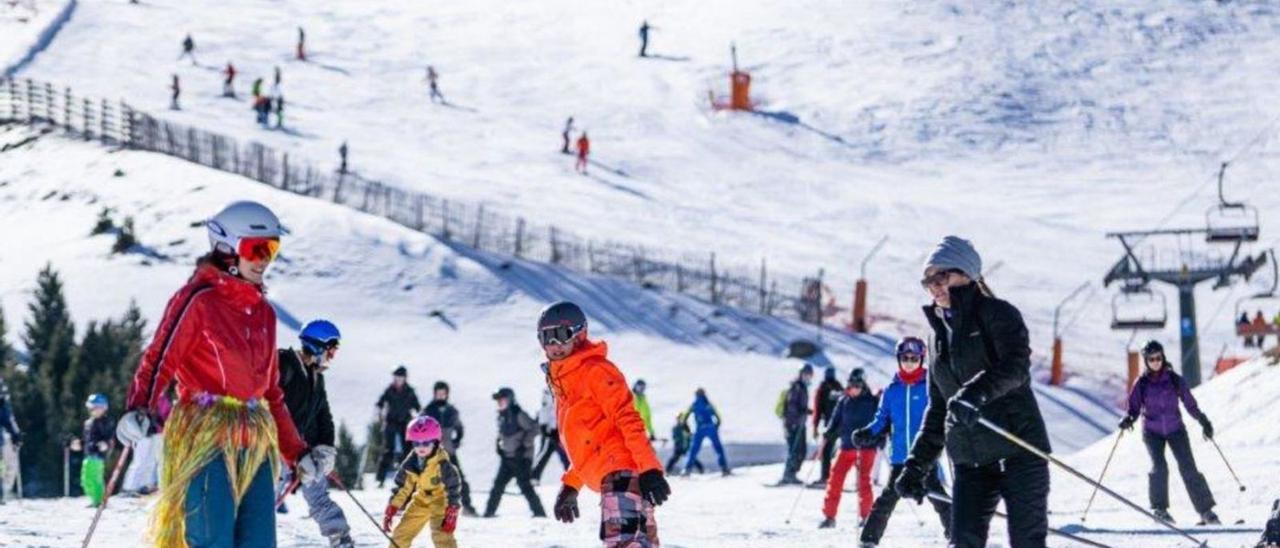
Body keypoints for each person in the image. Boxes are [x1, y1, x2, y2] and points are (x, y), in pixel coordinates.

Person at [116, 200, 307, 546]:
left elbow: (272, 393)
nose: (264, 259)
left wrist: (297, 452)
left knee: (259, 540)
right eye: (256, 249)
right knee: (212, 537)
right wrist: (138, 407)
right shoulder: (198, 300)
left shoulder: (264, 313)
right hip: (208, 434)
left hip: (255, 439)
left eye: (272, 249)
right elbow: (160, 357)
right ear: (226, 248)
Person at [895, 235, 1051, 548]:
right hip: (971, 460)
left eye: (942, 276)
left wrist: (973, 395)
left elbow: (1015, 367)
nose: (935, 286)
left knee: (1026, 542)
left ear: (967, 273)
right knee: (962, 542)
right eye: (928, 280)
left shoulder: (998, 314)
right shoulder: (936, 338)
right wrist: (917, 464)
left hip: (1019, 451)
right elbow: (939, 408)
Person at [540, 301, 670, 546]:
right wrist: (571, 484)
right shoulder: (564, 383)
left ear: (579, 335)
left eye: (561, 335)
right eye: (547, 337)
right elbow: (592, 441)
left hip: (623, 473)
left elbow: (628, 420)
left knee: (623, 542)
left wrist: (650, 469)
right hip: (617, 473)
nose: (554, 345)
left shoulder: (596, 371)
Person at [855, 337, 951, 546]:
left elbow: (942, 413)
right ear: (899, 359)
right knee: (886, 500)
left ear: (921, 359)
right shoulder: (892, 390)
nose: (909, 362)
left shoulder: (930, 387)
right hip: (900, 457)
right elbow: (881, 418)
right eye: (905, 358)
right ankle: (869, 539)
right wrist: (867, 432)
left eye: (914, 358)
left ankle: (957, 535)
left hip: (924, 457)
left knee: (938, 497)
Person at [1118, 340, 1220, 525]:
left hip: (1176, 430)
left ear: (1163, 357)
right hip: (1152, 431)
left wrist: (1203, 420)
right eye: (1151, 359)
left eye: (1158, 357)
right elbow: (1133, 409)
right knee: (1159, 467)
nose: (1156, 361)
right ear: (1146, 361)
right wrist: (1128, 419)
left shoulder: (1174, 380)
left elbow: (1190, 404)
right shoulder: (1141, 384)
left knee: (1188, 467)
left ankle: (1206, 511)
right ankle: (1160, 510)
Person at [275, 319, 354, 547]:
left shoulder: (317, 377)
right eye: (332, 349)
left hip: (306, 454)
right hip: (276, 451)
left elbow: (323, 416)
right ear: (319, 345)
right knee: (263, 502)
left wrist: (325, 447)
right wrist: (291, 450)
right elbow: (271, 408)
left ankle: (341, 540)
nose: (333, 356)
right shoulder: (284, 364)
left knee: (319, 497)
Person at [383, 416, 462, 548]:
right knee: (401, 534)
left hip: (441, 501)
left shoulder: (442, 464)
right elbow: (403, 486)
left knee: (442, 536)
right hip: (421, 500)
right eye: (416, 443)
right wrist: (393, 506)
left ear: (435, 442)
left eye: (426, 443)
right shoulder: (411, 463)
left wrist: (452, 507)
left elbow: (453, 485)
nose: (421, 447)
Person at [817, 369, 878, 528]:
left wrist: (879, 437)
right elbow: (835, 420)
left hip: (866, 448)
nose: (854, 389)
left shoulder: (872, 402)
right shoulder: (844, 401)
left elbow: (880, 421)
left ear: (863, 385)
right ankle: (829, 517)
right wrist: (829, 432)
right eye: (851, 385)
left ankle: (866, 517)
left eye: (857, 385)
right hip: (846, 447)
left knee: (863, 481)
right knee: (835, 479)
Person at [483, 387, 545, 517]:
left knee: (525, 486)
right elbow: (502, 434)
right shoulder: (501, 416)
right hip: (508, 458)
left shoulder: (518, 413)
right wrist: (499, 445)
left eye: (502, 399)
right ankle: (488, 513)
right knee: (498, 486)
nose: (500, 402)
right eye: (498, 400)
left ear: (510, 400)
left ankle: (539, 514)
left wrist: (524, 445)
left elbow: (534, 428)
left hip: (522, 458)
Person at [421, 380, 477, 516]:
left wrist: (456, 441)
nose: (441, 396)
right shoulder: (428, 410)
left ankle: (468, 507)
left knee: (459, 479)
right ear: (434, 394)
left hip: (449, 452)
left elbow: (459, 428)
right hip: (432, 453)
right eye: (438, 393)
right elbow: (419, 428)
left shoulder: (452, 411)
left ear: (447, 394)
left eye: (443, 393)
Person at [375, 366, 421, 488]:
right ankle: (380, 479)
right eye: (396, 377)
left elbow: (417, 406)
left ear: (405, 378)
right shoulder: (390, 390)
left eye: (400, 377)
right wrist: (378, 410)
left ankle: (406, 477)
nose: (398, 379)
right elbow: (380, 402)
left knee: (407, 450)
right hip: (391, 423)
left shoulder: (410, 391)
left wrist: (418, 415)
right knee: (388, 450)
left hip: (404, 423)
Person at [120, 393, 170, 497]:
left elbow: (167, 414)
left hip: (158, 433)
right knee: (140, 460)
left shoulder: (163, 399)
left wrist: (163, 423)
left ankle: (146, 485)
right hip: (143, 433)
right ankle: (130, 487)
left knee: (153, 461)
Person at [72, 394, 115, 507]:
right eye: (92, 407)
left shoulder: (105, 422)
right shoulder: (88, 423)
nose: (95, 410)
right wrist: (79, 444)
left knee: (95, 478)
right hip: (88, 454)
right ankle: (93, 499)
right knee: (85, 479)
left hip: (98, 455)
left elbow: (109, 437)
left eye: (98, 407)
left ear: (104, 408)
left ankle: (100, 500)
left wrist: (105, 444)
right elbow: (86, 439)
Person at [778, 363, 813, 485]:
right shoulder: (796, 387)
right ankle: (788, 474)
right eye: (806, 374)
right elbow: (792, 406)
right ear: (801, 374)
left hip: (800, 424)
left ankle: (792, 473)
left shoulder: (803, 387)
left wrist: (806, 410)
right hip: (793, 424)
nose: (807, 377)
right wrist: (801, 412)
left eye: (809, 375)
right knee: (794, 450)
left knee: (801, 450)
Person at [684, 388, 730, 476]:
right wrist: (715, 428)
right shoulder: (708, 404)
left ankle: (687, 470)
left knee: (693, 450)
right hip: (711, 428)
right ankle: (724, 468)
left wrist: (687, 430)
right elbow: (718, 418)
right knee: (718, 449)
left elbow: (684, 419)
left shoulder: (694, 405)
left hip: (699, 430)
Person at [811, 366, 844, 487]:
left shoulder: (822, 388)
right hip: (843, 424)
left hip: (830, 425)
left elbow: (817, 409)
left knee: (826, 451)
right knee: (847, 451)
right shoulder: (839, 387)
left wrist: (815, 427)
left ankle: (826, 477)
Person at [532, 385, 569, 484]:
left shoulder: (564, 387)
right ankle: (533, 477)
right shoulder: (549, 390)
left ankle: (572, 478)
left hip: (561, 431)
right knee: (544, 454)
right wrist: (544, 427)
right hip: (550, 431)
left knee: (566, 455)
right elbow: (544, 409)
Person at [0, 378, 22, 504]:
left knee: (3, 468)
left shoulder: (3, 406)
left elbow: (9, 422)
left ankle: (2, 493)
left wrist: (15, 435)